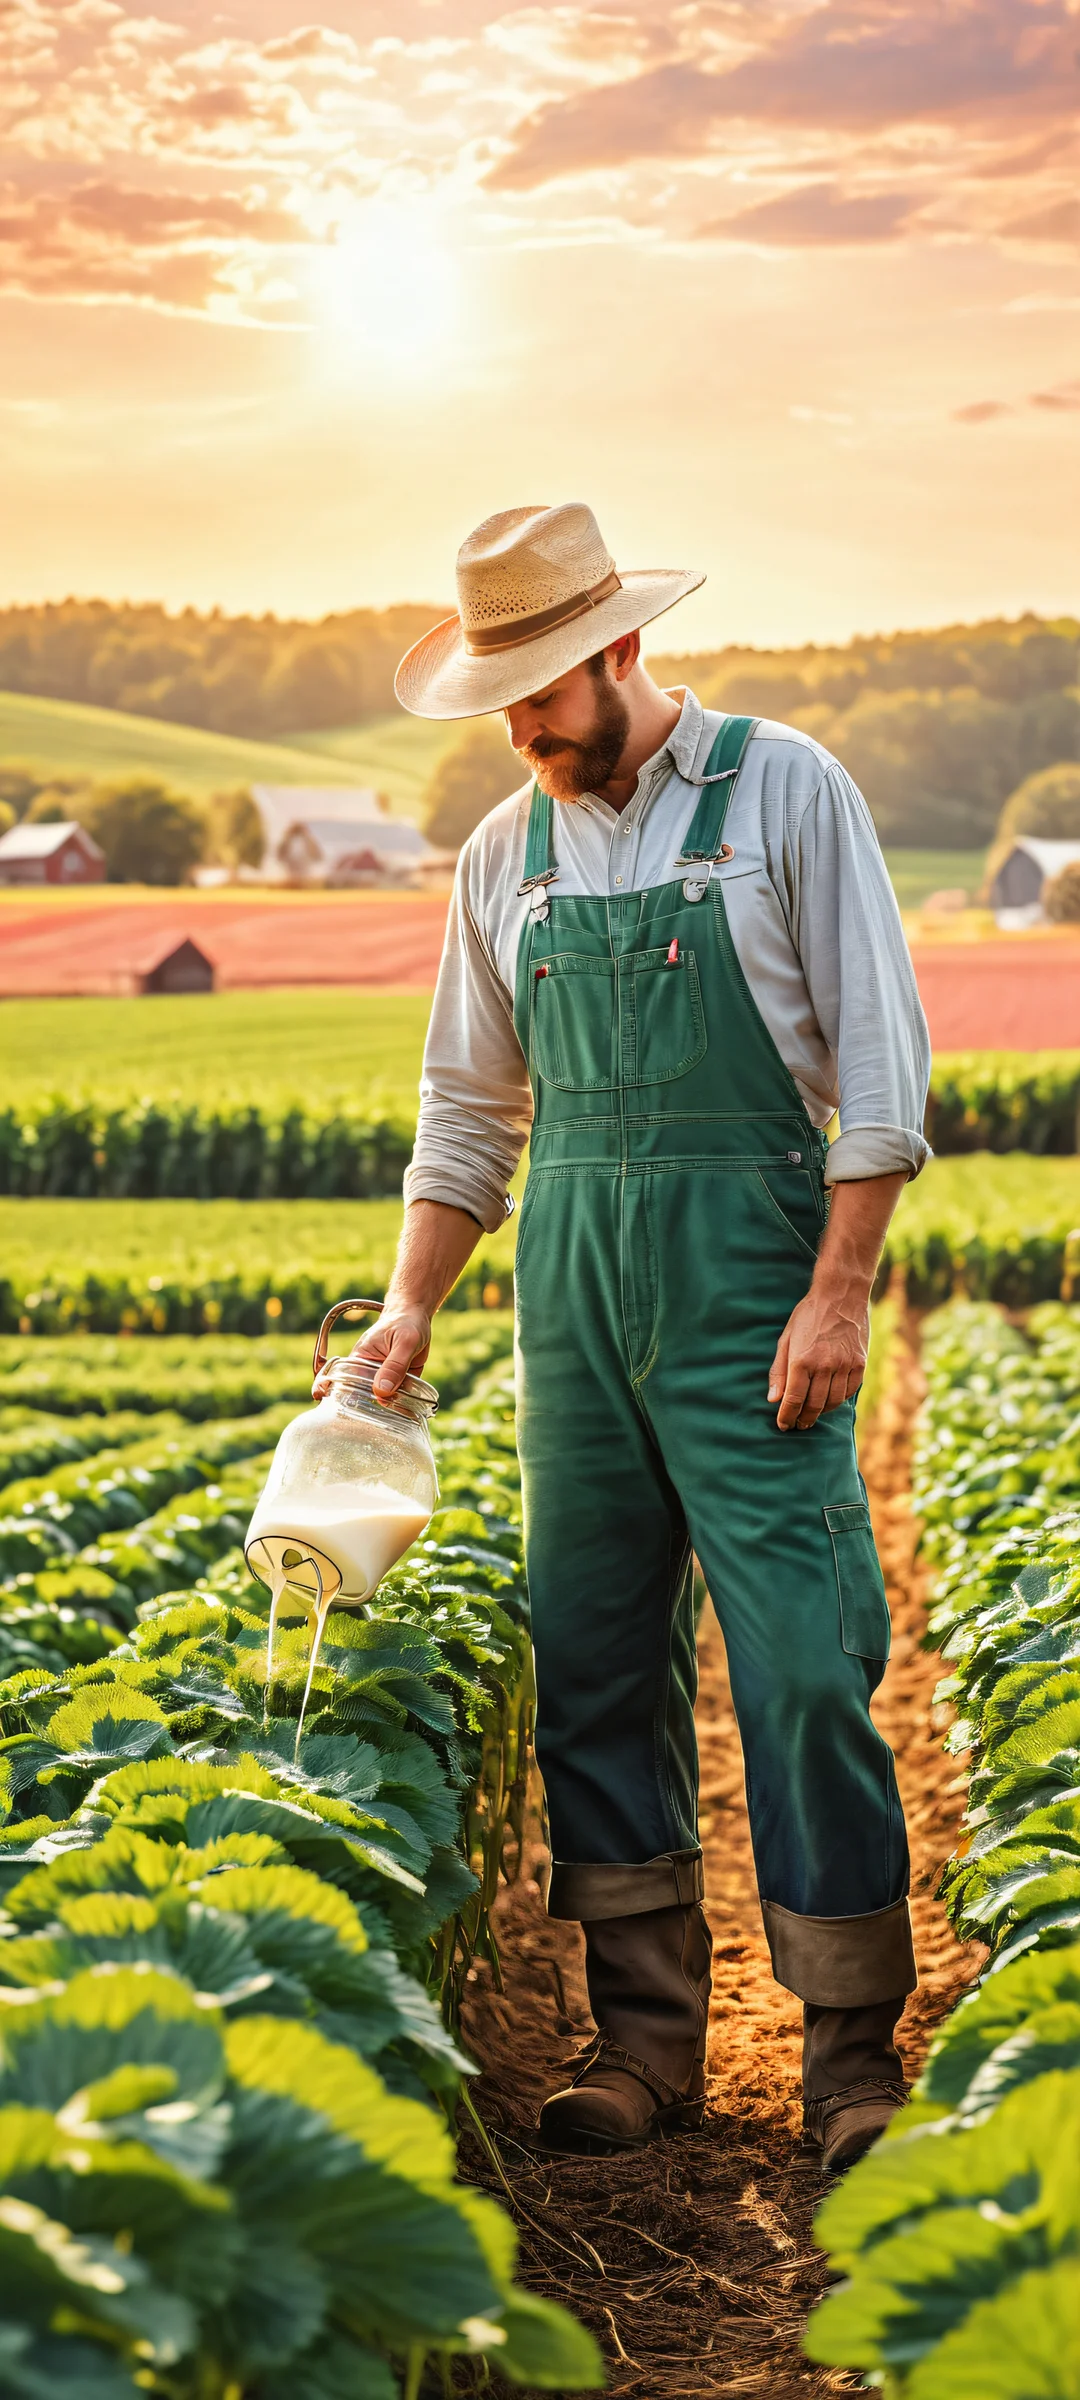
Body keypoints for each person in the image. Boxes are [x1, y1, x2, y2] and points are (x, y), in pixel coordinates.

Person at [339, 502, 931, 2173]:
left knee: (808, 1663)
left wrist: (841, 1288)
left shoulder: (784, 790)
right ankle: (645, 2042)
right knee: (598, 1665)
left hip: (758, 1297)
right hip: (575, 1315)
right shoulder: (499, 858)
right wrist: (409, 1304)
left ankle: (847, 2052)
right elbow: (468, 1117)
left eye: (536, 691)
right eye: (494, 702)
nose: (516, 729)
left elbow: (882, 1074)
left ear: (618, 651)